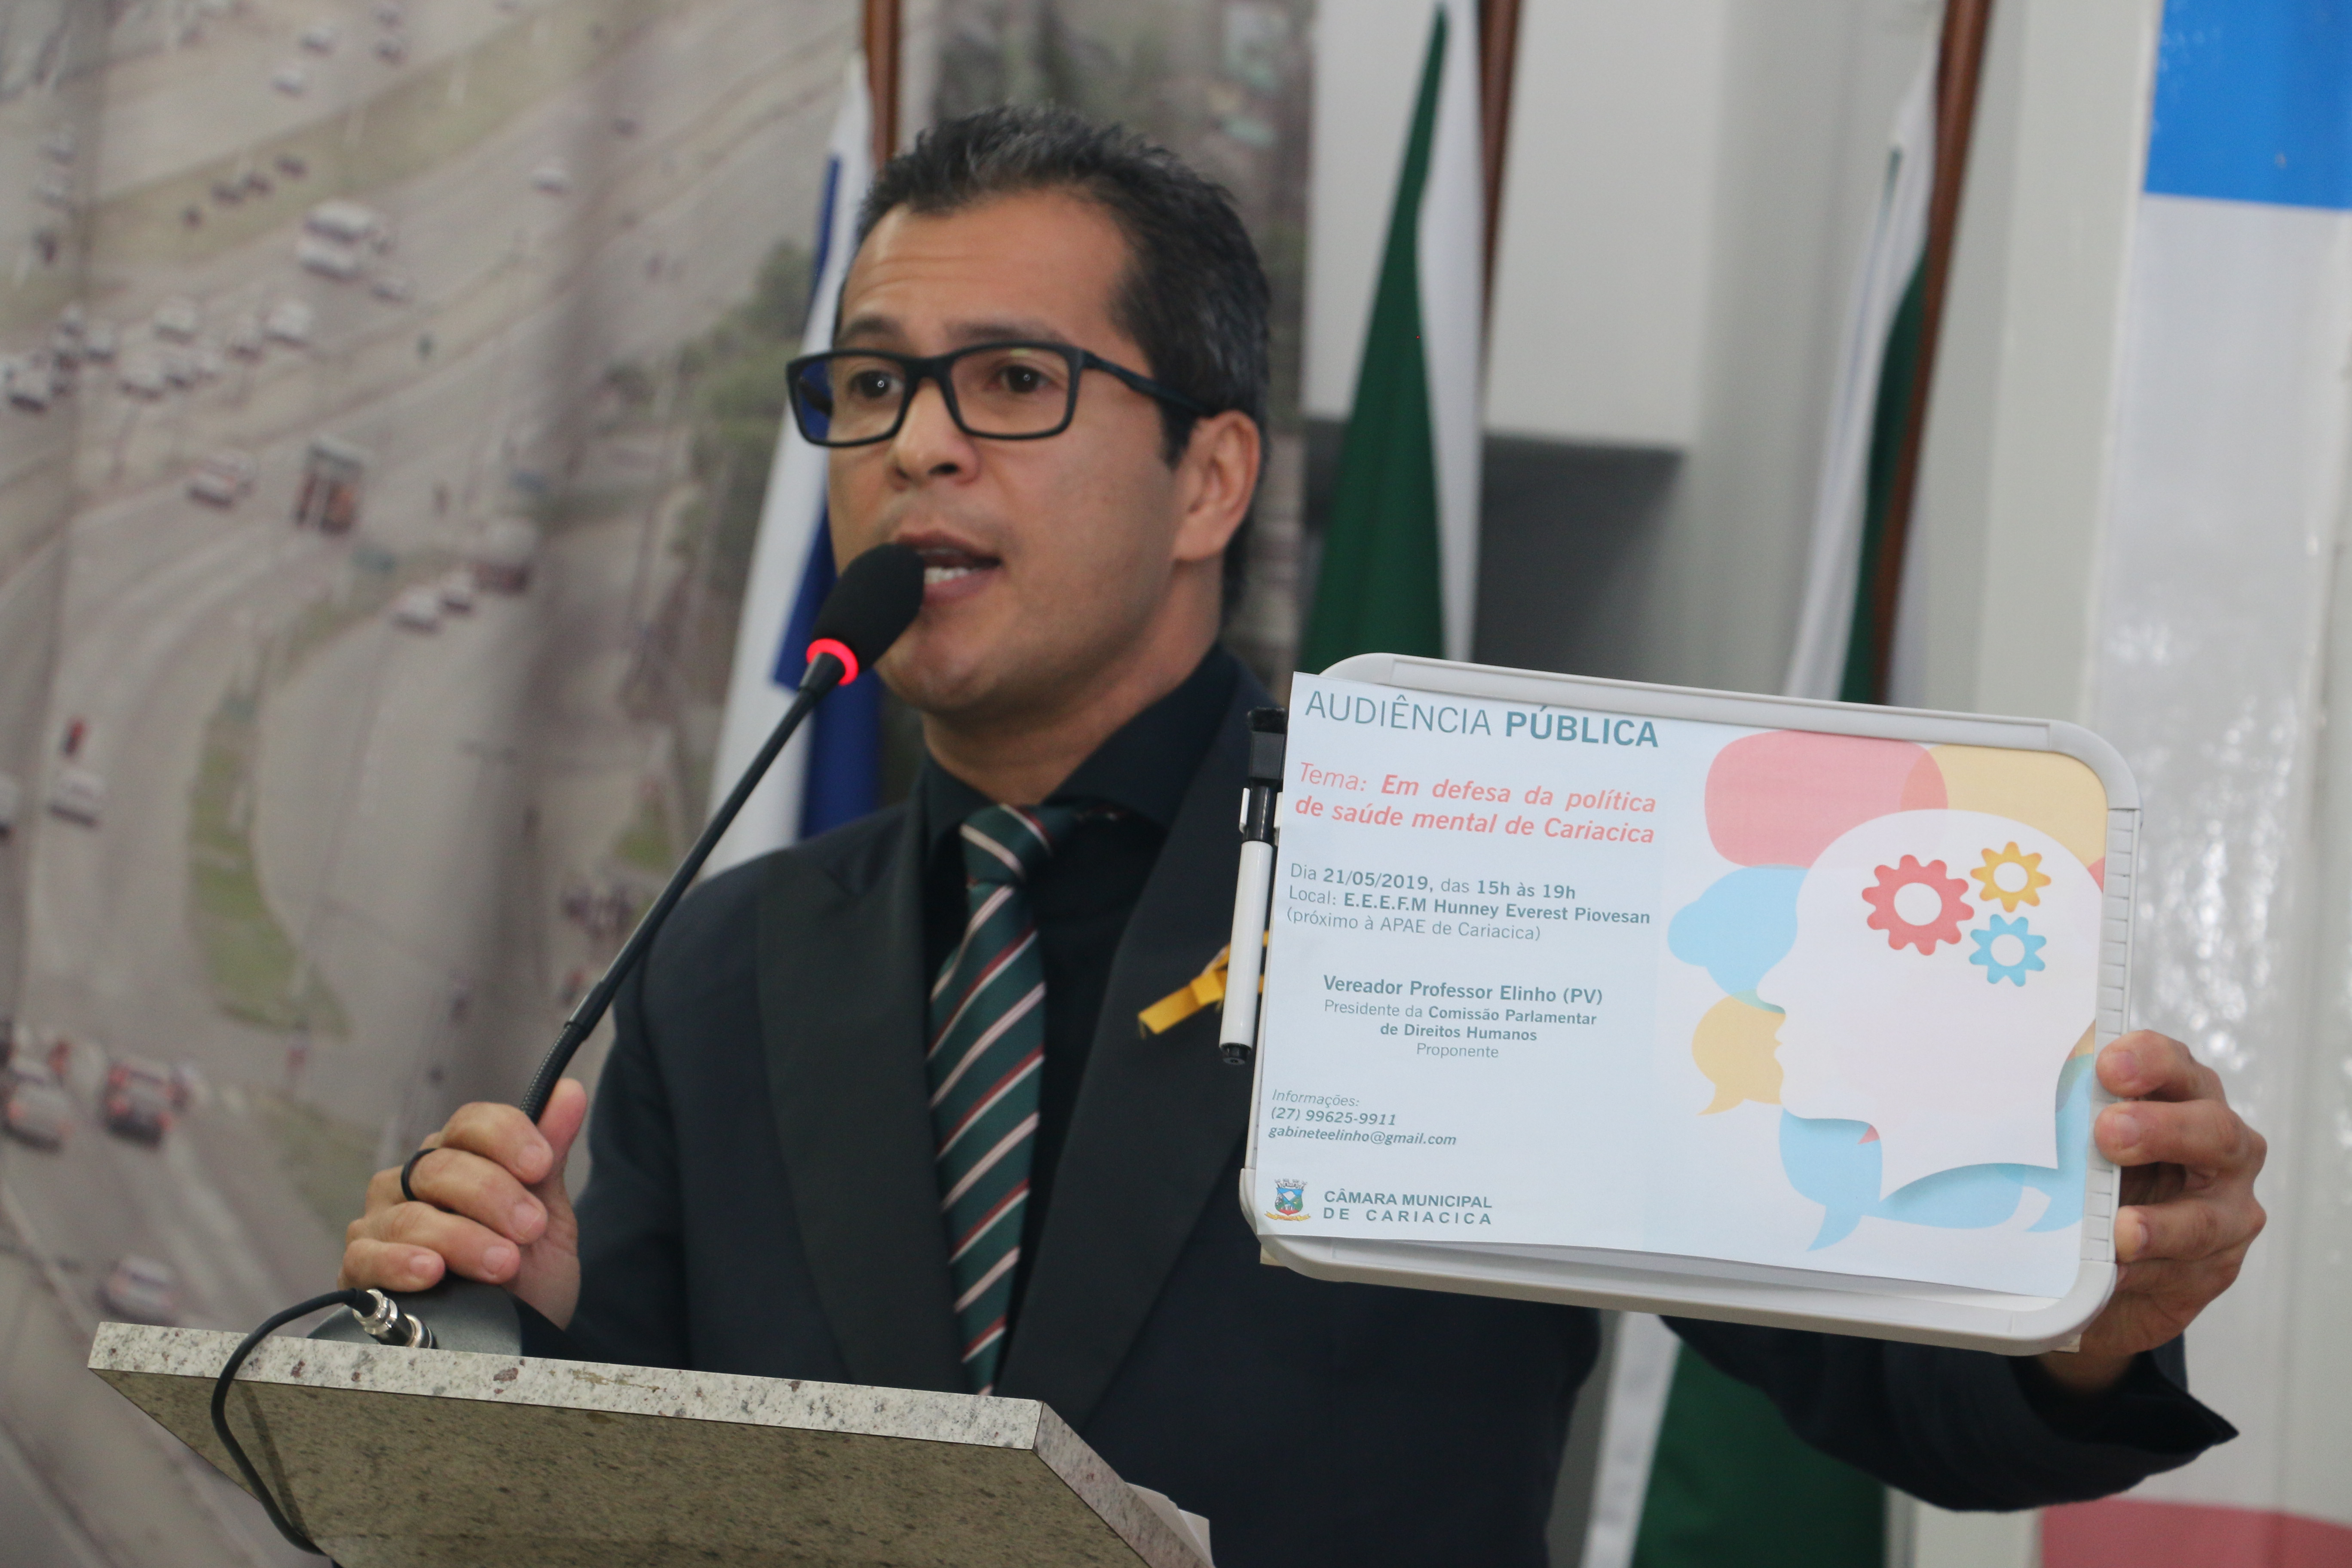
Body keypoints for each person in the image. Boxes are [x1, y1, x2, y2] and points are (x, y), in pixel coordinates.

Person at [339, 106, 2257, 1567]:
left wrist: (2095, 1310)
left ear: (1212, 480)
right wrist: (520, 1321)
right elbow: (652, 1455)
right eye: (872, 385)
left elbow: (1896, 1391)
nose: (917, 443)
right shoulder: (729, 949)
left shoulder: (1495, 873)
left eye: (1011, 381)